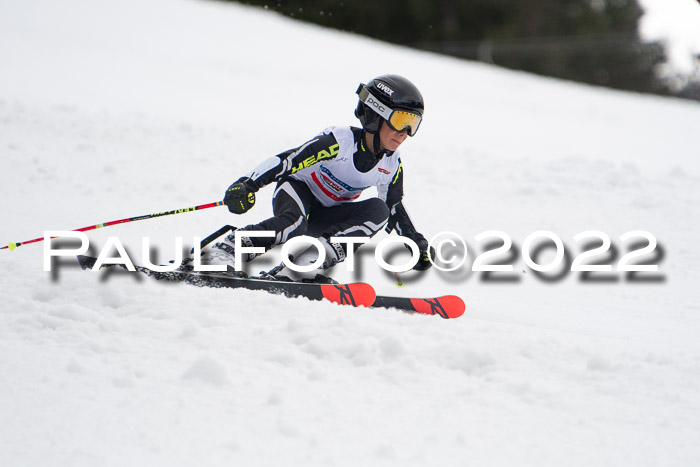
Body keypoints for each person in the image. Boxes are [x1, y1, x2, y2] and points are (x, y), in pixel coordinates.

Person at [201, 74, 434, 282]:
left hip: (329, 212)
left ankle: (303, 266)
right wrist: (248, 184)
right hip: (298, 193)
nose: (405, 133)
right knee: (293, 223)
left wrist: (415, 241)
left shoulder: (391, 164)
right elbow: (288, 160)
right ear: (376, 114)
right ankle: (223, 252)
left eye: (413, 124)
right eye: (400, 120)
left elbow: (393, 206)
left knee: (378, 211)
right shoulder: (339, 143)